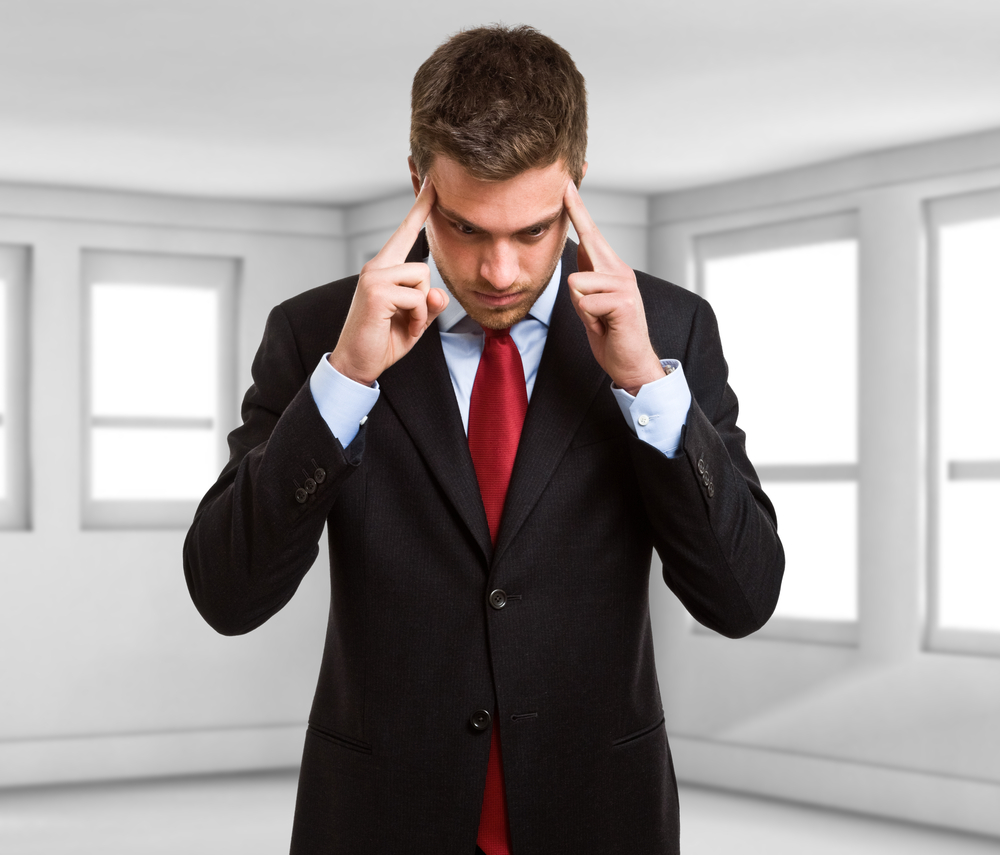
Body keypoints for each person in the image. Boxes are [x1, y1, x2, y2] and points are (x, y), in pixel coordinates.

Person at [184, 24, 783, 855]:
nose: (500, 272)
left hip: (600, 817)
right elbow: (227, 593)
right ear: (419, 182)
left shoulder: (670, 328)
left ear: (576, 183)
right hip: (379, 820)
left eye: (533, 231)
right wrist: (345, 382)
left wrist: (647, 385)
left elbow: (743, 598)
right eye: (466, 228)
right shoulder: (317, 331)